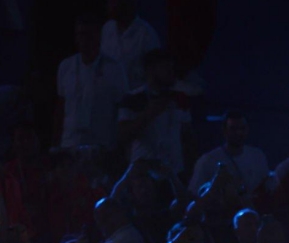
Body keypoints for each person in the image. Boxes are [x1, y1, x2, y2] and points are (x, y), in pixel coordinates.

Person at [55, 14, 129, 151]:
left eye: (88, 34)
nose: (84, 40)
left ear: (98, 36)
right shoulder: (66, 67)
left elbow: (122, 109)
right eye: (80, 34)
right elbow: (61, 107)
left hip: (101, 146)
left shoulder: (114, 69)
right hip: (70, 144)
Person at [117, 49, 192, 178]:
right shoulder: (132, 98)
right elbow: (122, 135)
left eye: (172, 67)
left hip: (175, 174)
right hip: (144, 175)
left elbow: (187, 137)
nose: (171, 72)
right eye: (165, 67)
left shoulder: (180, 99)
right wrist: (149, 113)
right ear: (150, 70)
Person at [188, 110, 273, 198]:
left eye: (242, 128)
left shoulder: (258, 156)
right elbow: (194, 193)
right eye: (233, 129)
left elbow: (267, 186)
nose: (239, 133)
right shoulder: (208, 160)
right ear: (224, 131)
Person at [101, 0, 161, 90]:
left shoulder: (146, 34)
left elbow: (156, 76)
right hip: (109, 98)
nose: (109, 5)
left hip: (137, 100)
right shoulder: (107, 29)